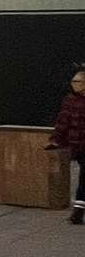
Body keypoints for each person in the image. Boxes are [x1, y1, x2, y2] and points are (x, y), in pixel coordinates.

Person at [47, 66, 85, 225]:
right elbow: (63, 122)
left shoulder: (72, 101)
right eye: (73, 81)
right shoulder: (70, 100)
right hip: (79, 146)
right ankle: (78, 211)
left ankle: (78, 212)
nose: (73, 84)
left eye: (77, 81)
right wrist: (55, 139)